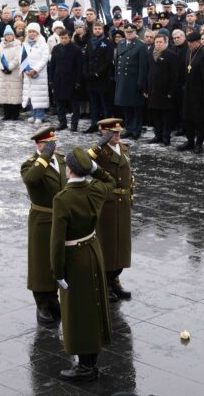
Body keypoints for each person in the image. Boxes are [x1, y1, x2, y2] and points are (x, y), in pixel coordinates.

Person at [51, 144, 116, 381]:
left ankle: (85, 367)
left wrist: (57, 272)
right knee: (93, 307)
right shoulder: (96, 189)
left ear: (69, 169)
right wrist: (95, 168)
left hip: (74, 260)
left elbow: (57, 241)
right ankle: (91, 362)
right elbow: (109, 180)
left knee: (76, 313)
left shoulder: (63, 199)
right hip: (92, 251)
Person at [21, 126, 67, 326]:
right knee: (41, 263)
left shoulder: (63, 160)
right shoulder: (30, 164)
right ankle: (42, 304)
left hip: (61, 218)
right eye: (46, 144)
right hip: (42, 219)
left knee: (57, 260)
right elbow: (31, 179)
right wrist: (44, 157)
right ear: (38, 145)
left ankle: (53, 299)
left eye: (53, 143)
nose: (51, 147)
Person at [87, 118, 134, 302]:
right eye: (113, 133)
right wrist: (98, 146)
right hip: (107, 202)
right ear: (103, 133)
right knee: (107, 245)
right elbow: (83, 163)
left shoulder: (123, 148)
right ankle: (104, 284)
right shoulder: (100, 151)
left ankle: (115, 280)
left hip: (122, 203)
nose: (117, 135)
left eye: (118, 132)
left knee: (121, 246)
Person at [177, 31, 204, 153]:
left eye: (191, 43)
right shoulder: (189, 51)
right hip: (188, 91)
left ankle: (199, 143)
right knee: (188, 118)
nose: (189, 45)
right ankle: (190, 141)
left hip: (199, 94)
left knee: (199, 120)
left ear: (198, 42)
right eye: (188, 43)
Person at [114, 24, 147, 139]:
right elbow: (117, 62)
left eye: (131, 32)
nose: (129, 34)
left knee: (136, 107)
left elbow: (143, 66)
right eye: (127, 32)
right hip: (122, 80)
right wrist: (117, 79)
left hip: (134, 80)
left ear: (135, 32)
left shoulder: (140, 45)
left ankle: (136, 129)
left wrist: (140, 82)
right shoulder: (121, 43)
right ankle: (128, 127)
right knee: (125, 106)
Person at [144, 34, 178, 146]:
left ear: (165, 43)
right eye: (156, 42)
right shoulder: (149, 53)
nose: (158, 44)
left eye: (160, 42)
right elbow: (147, 72)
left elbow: (174, 75)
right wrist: (146, 89)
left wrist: (171, 91)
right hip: (152, 90)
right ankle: (157, 135)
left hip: (165, 91)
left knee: (166, 116)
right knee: (155, 115)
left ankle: (166, 137)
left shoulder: (171, 55)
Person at [49, 30, 83, 131]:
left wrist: (78, 81)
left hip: (72, 80)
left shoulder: (76, 49)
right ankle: (62, 122)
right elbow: (52, 65)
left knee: (74, 104)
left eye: (66, 38)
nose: (63, 40)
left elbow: (79, 67)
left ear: (69, 38)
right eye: (62, 38)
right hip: (58, 79)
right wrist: (51, 80)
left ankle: (74, 124)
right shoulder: (56, 48)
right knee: (59, 103)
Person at [84, 21, 114, 133]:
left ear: (102, 30)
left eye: (99, 28)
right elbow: (86, 59)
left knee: (105, 105)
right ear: (92, 30)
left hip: (103, 78)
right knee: (94, 104)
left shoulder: (107, 42)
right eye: (95, 28)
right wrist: (86, 72)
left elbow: (108, 61)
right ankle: (94, 124)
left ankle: (107, 127)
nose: (97, 30)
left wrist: (98, 73)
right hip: (91, 78)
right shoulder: (90, 42)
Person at [22, 22, 50, 124]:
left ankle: (40, 115)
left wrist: (35, 70)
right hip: (28, 73)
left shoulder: (43, 44)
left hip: (39, 74)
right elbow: (22, 58)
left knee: (39, 95)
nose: (32, 33)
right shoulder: (24, 44)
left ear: (38, 32)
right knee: (30, 94)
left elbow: (44, 59)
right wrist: (25, 69)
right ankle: (33, 114)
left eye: (34, 31)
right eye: (30, 31)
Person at [0, 25, 22, 120]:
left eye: (10, 34)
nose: (9, 36)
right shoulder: (0, 45)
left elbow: (17, 58)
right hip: (3, 73)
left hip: (14, 72)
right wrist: (2, 68)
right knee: (5, 93)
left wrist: (9, 67)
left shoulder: (18, 45)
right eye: (7, 34)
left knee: (14, 93)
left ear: (13, 35)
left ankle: (15, 114)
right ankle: (7, 114)